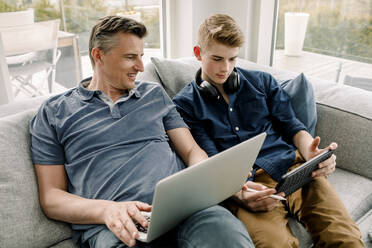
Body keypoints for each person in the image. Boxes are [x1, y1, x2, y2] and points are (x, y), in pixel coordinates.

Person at [29, 16, 254, 248]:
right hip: (117, 225)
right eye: (130, 57)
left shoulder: (154, 95)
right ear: (99, 56)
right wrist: (107, 210)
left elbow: (190, 150)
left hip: (184, 210)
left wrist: (209, 179)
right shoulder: (54, 113)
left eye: (141, 56)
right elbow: (51, 197)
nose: (140, 67)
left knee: (228, 236)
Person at [173, 14, 364, 247]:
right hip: (246, 185)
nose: (226, 68)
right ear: (197, 53)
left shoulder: (262, 82)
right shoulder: (185, 104)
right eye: (217, 59)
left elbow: (293, 126)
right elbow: (208, 159)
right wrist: (237, 193)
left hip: (293, 168)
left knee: (344, 237)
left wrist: (312, 153)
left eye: (233, 59)